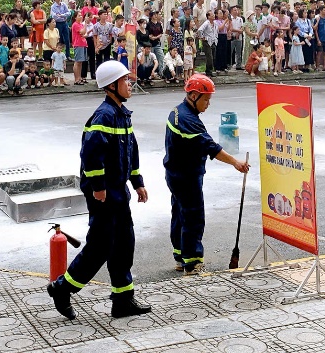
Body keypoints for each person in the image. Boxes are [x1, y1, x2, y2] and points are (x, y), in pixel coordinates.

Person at [47, 61, 151, 321]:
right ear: (112, 86)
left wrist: (137, 181)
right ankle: (62, 289)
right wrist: (99, 188)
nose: (130, 84)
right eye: (126, 81)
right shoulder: (103, 116)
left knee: (124, 244)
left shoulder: (122, 114)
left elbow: (131, 151)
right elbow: (91, 156)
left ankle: (123, 300)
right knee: (100, 248)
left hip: (119, 192)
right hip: (104, 194)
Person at [163, 74, 250, 275]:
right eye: (206, 99)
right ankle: (192, 263)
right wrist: (236, 162)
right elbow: (211, 147)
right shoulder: (188, 120)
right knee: (192, 217)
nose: (208, 104)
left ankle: (180, 257)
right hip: (187, 177)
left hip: (174, 174)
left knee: (179, 214)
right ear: (193, 96)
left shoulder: (176, 112)